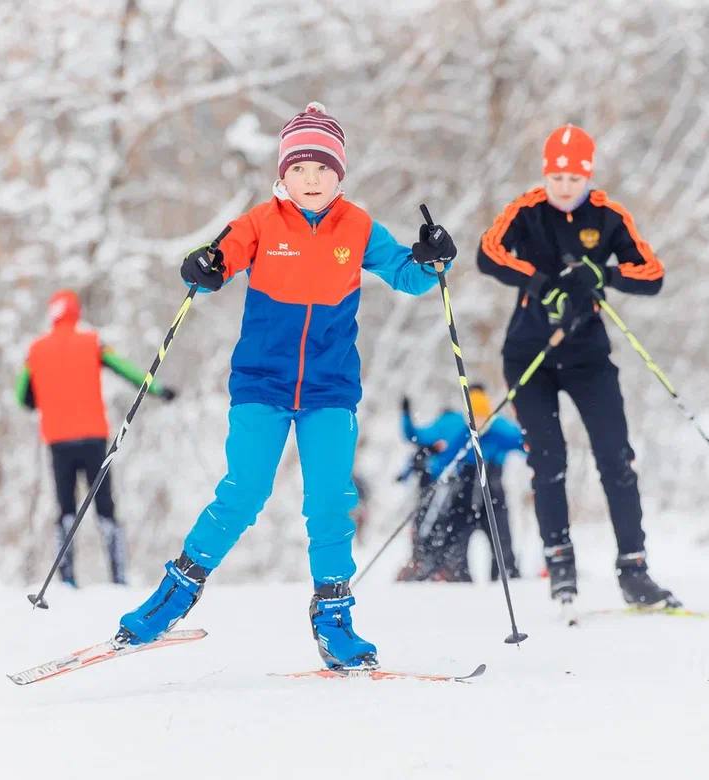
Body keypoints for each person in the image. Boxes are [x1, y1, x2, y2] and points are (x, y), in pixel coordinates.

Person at [115, 102, 456, 670]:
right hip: (261, 385)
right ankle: (173, 595)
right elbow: (217, 261)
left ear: (339, 174)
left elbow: (409, 275)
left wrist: (430, 257)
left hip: (330, 389)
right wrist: (203, 267)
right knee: (243, 492)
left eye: (322, 168)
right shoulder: (261, 223)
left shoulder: (359, 227)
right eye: (299, 169)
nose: (311, 179)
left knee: (330, 502)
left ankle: (334, 620)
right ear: (283, 175)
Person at [476, 123, 680, 610]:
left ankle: (634, 570)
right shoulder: (527, 210)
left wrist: (603, 273)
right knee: (548, 459)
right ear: (545, 174)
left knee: (616, 457)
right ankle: (560, 566)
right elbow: (488, 254)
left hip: (588, 355)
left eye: (574, 178)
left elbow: (651, 275)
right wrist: (537, 280)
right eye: (556, 177)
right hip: (531, 354)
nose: (564, 187)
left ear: (588, 175)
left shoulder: (607, 216)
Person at [16, 289, 177, 586]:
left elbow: (23, 398)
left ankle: (66, 578)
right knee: (104, 504)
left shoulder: (35, 351)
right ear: (75, 312)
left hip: (58, 440)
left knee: (65, 507)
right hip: (93, 438)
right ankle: (118, 576)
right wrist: (159, 390)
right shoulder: (93, 343)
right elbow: (127, 371)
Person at [398, 385, 523, 581]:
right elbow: (426, 444)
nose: (480, 425)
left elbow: (525, 441)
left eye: (484, 419)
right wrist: (426, 465)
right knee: (455, 548)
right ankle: (455, 577)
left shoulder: (501, 429)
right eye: (475, 419)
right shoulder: (457, 428)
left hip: (493, 496)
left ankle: (506, 575)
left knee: (502, 545)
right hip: (463, 497)